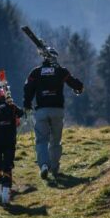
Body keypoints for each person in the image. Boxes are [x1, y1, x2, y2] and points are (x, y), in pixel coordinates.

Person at [23, 47, 84, 179]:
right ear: (55, 57)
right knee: (56, 141)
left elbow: (28, 89)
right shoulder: (61, 71)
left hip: (41, 111)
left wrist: (27, 104)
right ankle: (54, 168)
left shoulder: (36, 72)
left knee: (42, 141)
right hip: (57, 110)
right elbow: (77, 85)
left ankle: (44, 165)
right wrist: (79, 87)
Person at [0, 87, 23, 205]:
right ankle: (6, 193)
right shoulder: (12, 108)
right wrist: (11, 103)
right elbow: (21, 113)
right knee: (8, 165)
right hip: (10, 142)